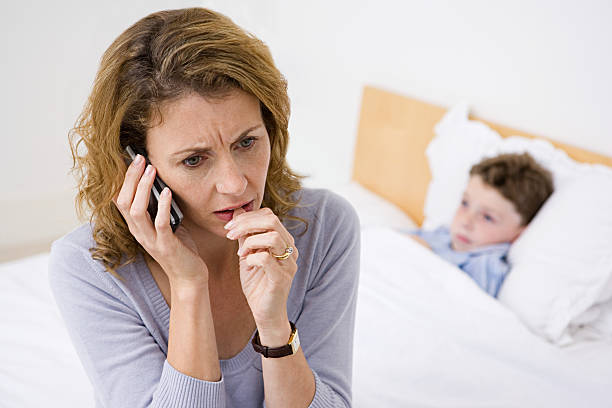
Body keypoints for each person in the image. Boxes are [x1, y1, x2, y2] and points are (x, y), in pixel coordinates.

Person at [48, 8, 359, 408]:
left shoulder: (324, 227)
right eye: (194, 160)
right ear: (136, 166)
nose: (235, 184)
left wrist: (274, 325)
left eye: (246, 142)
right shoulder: (87, 267)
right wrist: (188, 285)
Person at [406, 152, 553, 298]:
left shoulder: (486, 266)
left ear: (520, 233)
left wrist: (423, 257)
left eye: (487, 217)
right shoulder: (442, 234)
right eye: (465, 203)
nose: (466, 221)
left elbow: (462, 307)